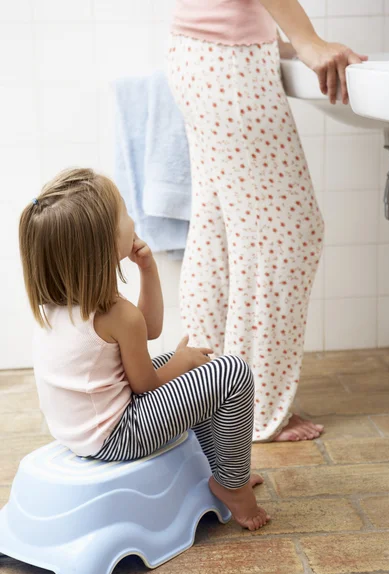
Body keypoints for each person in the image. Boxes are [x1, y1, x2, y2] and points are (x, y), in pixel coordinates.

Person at [19, 168, 269, 531]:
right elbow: (146, 386)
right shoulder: (114, 313)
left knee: (192, 371)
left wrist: (147, 269)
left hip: (82, 431)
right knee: (231, 374)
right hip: (119, 434)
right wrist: (182, 364)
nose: (131, 218)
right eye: (123, 212)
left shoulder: (62, 303)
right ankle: (232, 484)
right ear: (103, 244)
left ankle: (225, 467)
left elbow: (147, 330)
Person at [168, 0, 367, 443]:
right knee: (286, 235)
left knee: (215, 231)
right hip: (227, 67)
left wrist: (274, 41)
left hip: (201, 57)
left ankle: (206, 394)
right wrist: (308, 41)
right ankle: (254, 408)